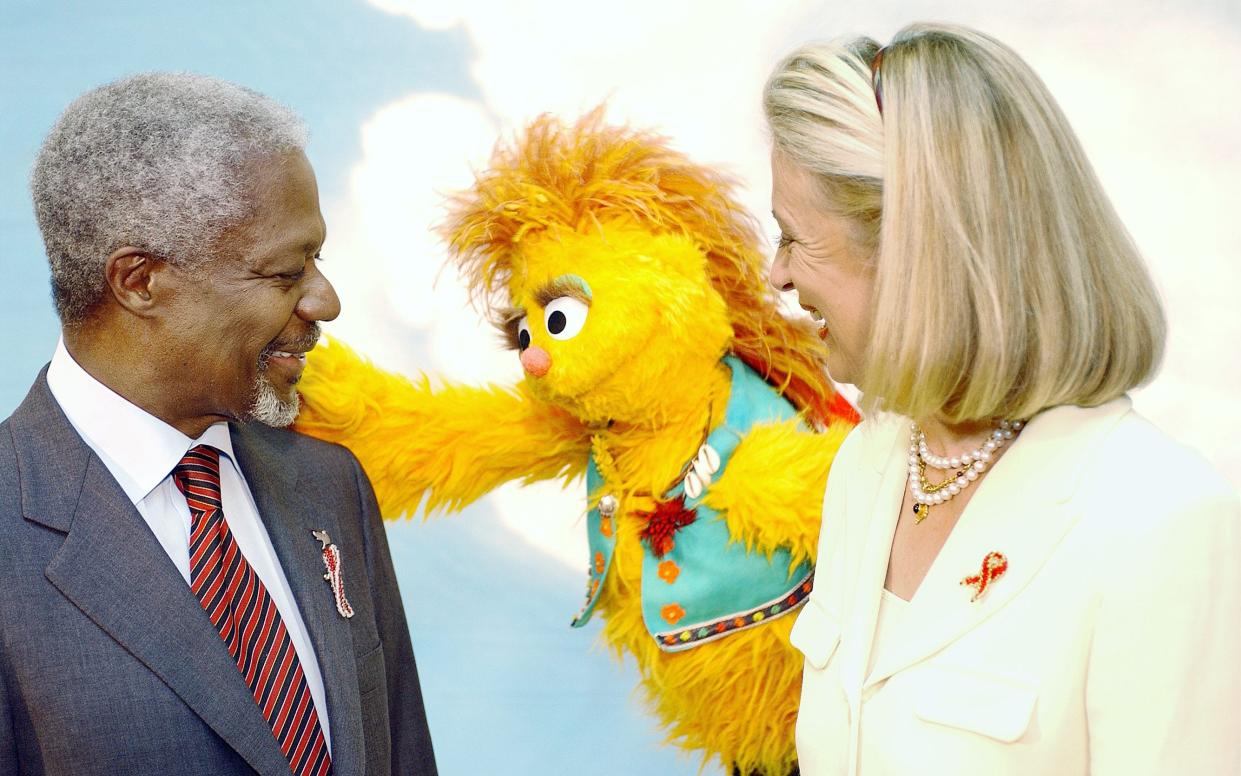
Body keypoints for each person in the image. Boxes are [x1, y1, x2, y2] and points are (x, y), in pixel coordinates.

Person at [764, 22, 1240, 776]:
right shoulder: (869, 463)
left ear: (916, 250)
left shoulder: (1161, 521)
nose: (776, 275)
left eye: (793, 238)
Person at [0, 73, 438, 776]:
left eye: (316, 260)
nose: (325, 302)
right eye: (284, 273)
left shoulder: (330, 486)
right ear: (139, 281)